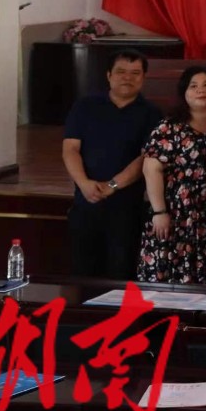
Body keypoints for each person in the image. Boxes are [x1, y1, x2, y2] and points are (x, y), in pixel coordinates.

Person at [63, 50, 163, 280]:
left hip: (127, 209)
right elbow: (70, 149)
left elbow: (145, 158)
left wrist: (113, 186)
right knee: (83, 273)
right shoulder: (85, 106)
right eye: (121, 72)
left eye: (135, 73)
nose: (127, 77)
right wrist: (84, 183)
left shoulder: (152, 113)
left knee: (120, 275)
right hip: (86, 202)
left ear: (143, 78)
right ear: (109, 75)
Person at [137, 66, 206, 285]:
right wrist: (159, 211)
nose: (201, 90)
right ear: (184, 92)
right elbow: (150, 169)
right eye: (194, 86)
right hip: (176, 212)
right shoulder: (169, 127)